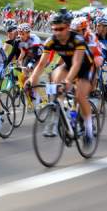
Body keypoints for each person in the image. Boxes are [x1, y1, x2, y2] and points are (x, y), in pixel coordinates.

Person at [27, 10, 95, 145]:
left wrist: (68, 81)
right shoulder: (51, 41)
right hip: (68, 66)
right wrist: (31, 80)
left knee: (79, 96)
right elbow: (41, 64)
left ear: (68, 27)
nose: (57, 32)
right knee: (55, 82)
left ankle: (88, 129)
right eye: (54, 29)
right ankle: (61, 115)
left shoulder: (77, 40)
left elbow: (77, 64)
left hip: (85, 67)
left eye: (61, 29)